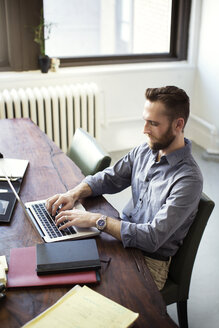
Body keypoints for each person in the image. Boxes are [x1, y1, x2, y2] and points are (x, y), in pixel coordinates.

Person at [46, 86, 203, 290]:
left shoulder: (188, 180)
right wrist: (73, 193)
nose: (145, 129)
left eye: (153, 123)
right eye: (145, 121)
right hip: (120, 240)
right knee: (59, 264)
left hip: (149, 262)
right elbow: (110, 178)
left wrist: (97, 220)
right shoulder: (145, 150)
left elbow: (152, 238)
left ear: (178, 124)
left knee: (79, 289)